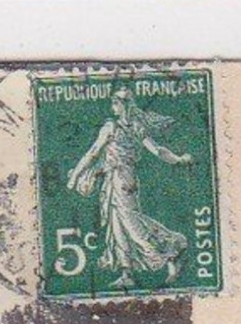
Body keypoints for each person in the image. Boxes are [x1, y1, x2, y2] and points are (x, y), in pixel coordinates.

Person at [66, 87, 194, 289]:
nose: (112, 107)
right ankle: (127, 274)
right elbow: (158, 151)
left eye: (115, 103)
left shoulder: (113, 127)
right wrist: (178, 159)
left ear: (120, 105)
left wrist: (74, 176)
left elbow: (92, 153)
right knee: (117, 227)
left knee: (133, 226)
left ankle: (173, 251)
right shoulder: (136, 127)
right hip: (120, 180)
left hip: (120, 180)